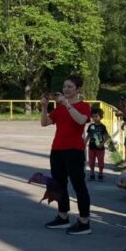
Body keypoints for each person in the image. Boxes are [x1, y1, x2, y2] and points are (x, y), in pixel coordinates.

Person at [41, 75, 93, 235]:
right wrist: (44, 107)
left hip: (74, 150)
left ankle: (84, 221)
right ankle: (63, 217)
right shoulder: (59, 108)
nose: (66, 89)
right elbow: (45, 123)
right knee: (59, 184)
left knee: (79, 186)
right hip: (57, 150)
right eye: (65, 86)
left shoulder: (83, 106)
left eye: (70, 87)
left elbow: (80, 121)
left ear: (78, 89)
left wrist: (67, 104)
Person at [85, 108, 111, 182]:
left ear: (101, 117)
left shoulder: (103, 127)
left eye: (96, 116)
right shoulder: (91, 126)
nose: (94, 118)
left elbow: (107, 137)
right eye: (93, 116)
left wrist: (102, 144)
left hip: (100, 148)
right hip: (91, 147)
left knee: (100, 162)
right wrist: (84, 143)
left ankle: (100, 174)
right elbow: (88, 135)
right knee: (91, 162)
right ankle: (92, 174)